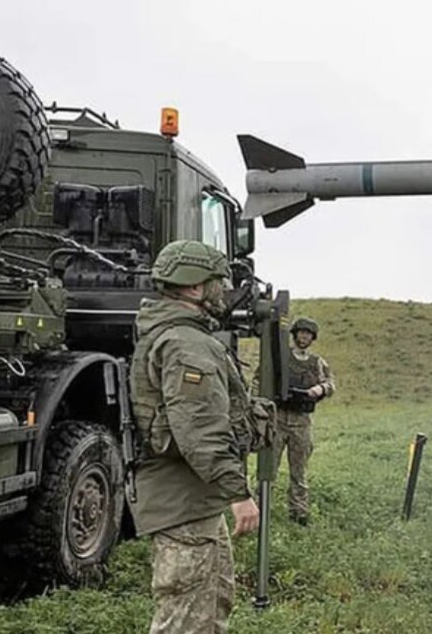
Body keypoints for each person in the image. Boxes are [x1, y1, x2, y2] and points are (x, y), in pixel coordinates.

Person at [130, 240, 261, 634]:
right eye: (217, 281)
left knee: (211, 605)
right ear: (193, 286)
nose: (224, 289)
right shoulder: (186, 343)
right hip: (183, 501)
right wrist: (238, 494)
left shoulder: (178, 334)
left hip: (195, 499)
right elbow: (200, 430)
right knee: (185, 621)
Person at [277, 316, 336, 526]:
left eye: (308, 334)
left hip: (301, 421)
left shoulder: (316, 362)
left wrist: (320, 389)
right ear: (294, 334)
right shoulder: (281, 357)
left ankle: (299, 514)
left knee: (299, 472)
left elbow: (330, 383)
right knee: (268, 470)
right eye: (301, 332)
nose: (304, 337)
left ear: (313, 338)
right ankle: (259, 509)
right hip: (277, 419)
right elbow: (261, 380)